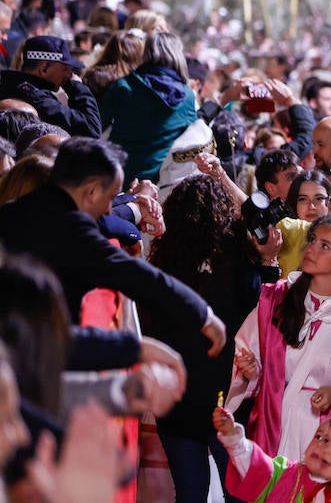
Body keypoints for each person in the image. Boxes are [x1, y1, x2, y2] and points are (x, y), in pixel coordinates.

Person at [0, 137, 227, 354]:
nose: (109, 209)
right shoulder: (73, 228)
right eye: (110, 197)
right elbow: (135, 275)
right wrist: (202, 314)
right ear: (91, 191)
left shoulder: (15, 209)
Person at [145, 172, 280, 501]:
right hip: (227, 397)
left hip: (176, 400)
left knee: (190, 494)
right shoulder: (238, 267)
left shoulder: (160, 270)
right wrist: (267, 261)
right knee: (239, 490)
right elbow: (264, 313)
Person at [225, 216, 331, 460]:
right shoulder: (276, 301)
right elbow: (248, 357)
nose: (311, 248)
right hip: (278, 427)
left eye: (325, 245)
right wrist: (251, 370)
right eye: (312, 240)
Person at [214, 409, 331, 502]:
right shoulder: (288, 474)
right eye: (320, 436)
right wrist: (234, 438)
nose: (322, 445)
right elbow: (256, 468)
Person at [99, 31, 198, 183]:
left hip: (118, 178)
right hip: (161, 184)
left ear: (146, 52)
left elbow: (97, 125)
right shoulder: (188, 97)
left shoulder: (124, 87)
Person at [0, 35, 101, 137]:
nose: (69, 74)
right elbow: (91, 129)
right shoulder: (37, 99)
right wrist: (77, 88)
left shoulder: (7, 83)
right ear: (44, 69)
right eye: (65, 69)